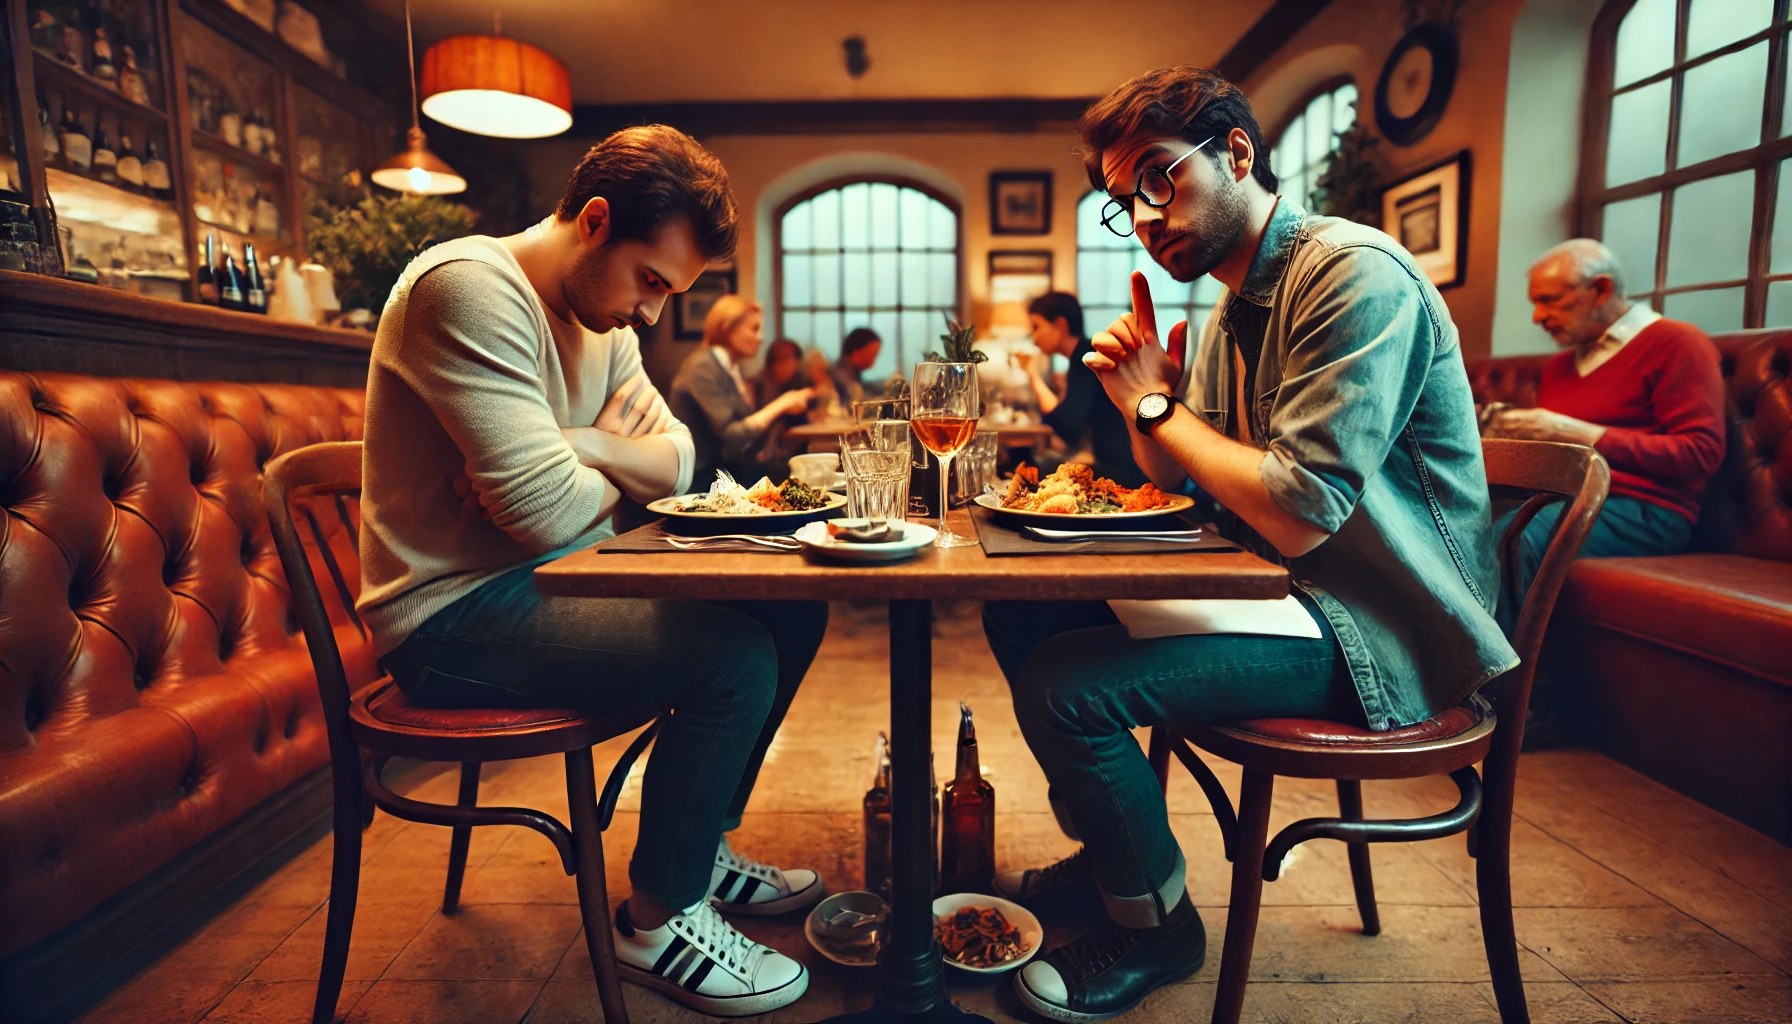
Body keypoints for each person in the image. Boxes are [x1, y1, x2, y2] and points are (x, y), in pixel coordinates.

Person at [980, 66, 1516, 1021]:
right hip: (1286, 595)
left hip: (1382, 630)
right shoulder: (1235, 303)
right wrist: (1151, 401)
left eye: (1157, 179)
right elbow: (1193, 478)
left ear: (1236, 152)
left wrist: (1154, 406)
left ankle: (1158, 928)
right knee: (1020, 605)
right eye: (1122, 202)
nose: (1144, 216)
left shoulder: (1352, 273)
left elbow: (1300, 507)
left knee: (1068, 689)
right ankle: (1117, 855)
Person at [358, 125, 826, 1018]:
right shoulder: (466, 289)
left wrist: (584, 447)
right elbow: (543, 514)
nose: (654, 314)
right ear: (596, 222)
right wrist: (608, 475)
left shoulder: (604, 320)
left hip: (556, 578)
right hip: (445, 618)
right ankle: (655, 921)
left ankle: (698, 848)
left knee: (790, 608)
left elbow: (681, 463)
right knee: (734, 658)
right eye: (653, 282)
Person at [1485, 238, 1725, 740]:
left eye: (1550, 300)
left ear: (1601, 289)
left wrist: (1581, 433)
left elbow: (1700, 453)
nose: (1536, 316)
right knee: (1457, 519)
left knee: (1516, 536)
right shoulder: (1561, 365)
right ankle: (1444, 680)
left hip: (1648, 510)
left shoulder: (1678, 343)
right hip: (1568, 500)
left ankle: (1511, 704)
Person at [670, 295, 815, 485]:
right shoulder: (702, 366)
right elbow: (733, 436)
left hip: (722, 471)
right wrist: (783, 403)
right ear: (728, 328)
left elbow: (746, 436)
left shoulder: (730, 367)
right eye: (754, 329)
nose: (760, 338)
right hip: (697, 478)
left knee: (800, 479)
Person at [1015, 290, 1147, 487]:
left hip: (1125, 471)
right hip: (1126, 464)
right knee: (1041, 467)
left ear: (1060, 324)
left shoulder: (1087, 359)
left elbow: (1068, 428)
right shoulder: (1086, 354)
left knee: (1032, 472)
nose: (1034, 339)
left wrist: (1033, 375)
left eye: (1036, 327)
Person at [830, 327, 882, 405]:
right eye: (872, 355)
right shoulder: (836, 376)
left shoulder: (853, 375)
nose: (873, 361)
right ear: (856, 353)